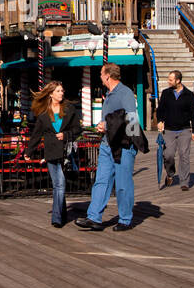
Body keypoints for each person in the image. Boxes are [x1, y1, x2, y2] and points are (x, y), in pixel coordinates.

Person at [76, 63, 146, 231]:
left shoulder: (125, 93)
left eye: (101, 73)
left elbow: (132, 120)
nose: (99, 76)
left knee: (123, 183)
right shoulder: (108, 94)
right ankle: (94, 217)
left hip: (123, 145)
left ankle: (125, 219)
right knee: (101, 180)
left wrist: (107, 125)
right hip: (107, 143)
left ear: (108, 76)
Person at [26, 81, 84, 227]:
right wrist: (29, 151)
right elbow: (36, 135)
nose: (61, 93)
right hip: (51, 152)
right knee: (59, 184)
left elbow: (78, 130)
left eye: (62, 91)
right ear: (51, 94)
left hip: (66, 152)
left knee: (60, 184)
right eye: (58, 91)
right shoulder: (44, 114)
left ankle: (59, 214)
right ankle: (58, 217)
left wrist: (66, 135)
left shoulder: (69, 109)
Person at [156, 70, 194, 189]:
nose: (168, 82)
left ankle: (184, 182)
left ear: (178, 80)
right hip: (169, 129)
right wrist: (160, 120)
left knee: (184, 155)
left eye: (171, 80)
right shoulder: (165, 93)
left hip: (184, 129)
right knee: (168, 155)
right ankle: (170, 173)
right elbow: (160, 110)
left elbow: (193, 113)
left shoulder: (189, 95)